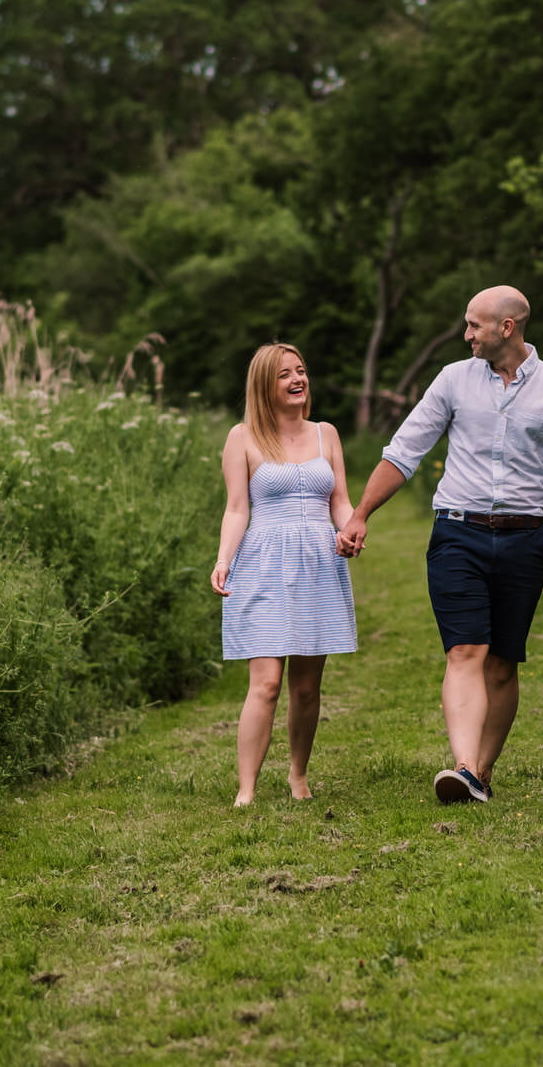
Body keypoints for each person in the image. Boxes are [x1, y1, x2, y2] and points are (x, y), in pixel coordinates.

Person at [336, 286, 543, 803]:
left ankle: (482, 773)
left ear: (507, 328)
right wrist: (361, 513)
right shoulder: (453, 379)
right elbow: (404, 451)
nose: (467, 334)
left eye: (474, 325)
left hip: (523, 541)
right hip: (457, 533)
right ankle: (464, 767)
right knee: (465, 649)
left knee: (502, 662)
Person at [212, 341, 358, 806]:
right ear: (264, 385)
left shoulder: (326, 435)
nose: (298, 380)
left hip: (319, 562)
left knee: (306, 685)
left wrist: (351, 528)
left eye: (301, 371)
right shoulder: (243, 437)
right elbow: (237, 509)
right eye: (284, 375)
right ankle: (247, 790)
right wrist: (222, 559)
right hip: (264, 563)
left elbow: (339, 501)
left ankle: (298, 775)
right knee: (268, 682)